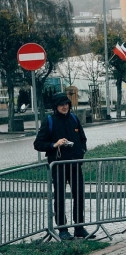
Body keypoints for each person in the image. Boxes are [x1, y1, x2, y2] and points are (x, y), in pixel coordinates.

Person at [34, 93, 88, 240]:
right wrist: (54, 144)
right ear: (56, 107)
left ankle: (79, 227)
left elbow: (82, 139)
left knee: (79, 196)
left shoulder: (74, 119)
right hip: (58, 166)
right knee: (60, 197)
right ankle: (62, 229)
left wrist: (81, 152)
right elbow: (38, 144)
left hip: (75, 164)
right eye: (61, 105)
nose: (64, 107)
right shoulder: (50, 121)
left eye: (66, 104)